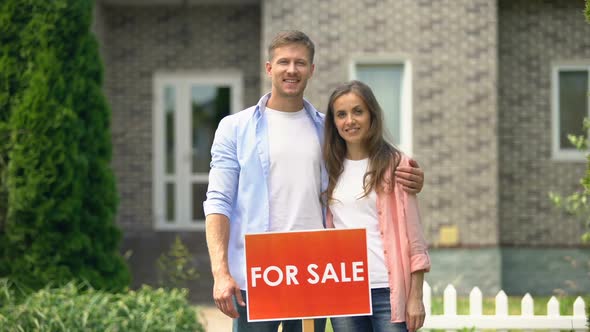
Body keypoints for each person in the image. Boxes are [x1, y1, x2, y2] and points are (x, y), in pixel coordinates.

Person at [203, 31, 425, 332]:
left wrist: (409, 176)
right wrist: (220, 272)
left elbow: (366, 165)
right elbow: (218, 201)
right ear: (269, 68)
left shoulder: (328, 129)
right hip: (258, 274)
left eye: (300, 63)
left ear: (311, 70)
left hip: (316, 271)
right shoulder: (234, 128)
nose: (291, 70)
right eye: (284, 62)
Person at [323, 80, 430, 332]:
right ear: (334, 122)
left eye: (358, 111)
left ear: (372, 114)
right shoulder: (327, 168)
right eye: (341, 114)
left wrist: (416, 297)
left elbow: (414, 239)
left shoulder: (397, 165)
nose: (350, 120)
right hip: (345, 289)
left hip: (387, 290)